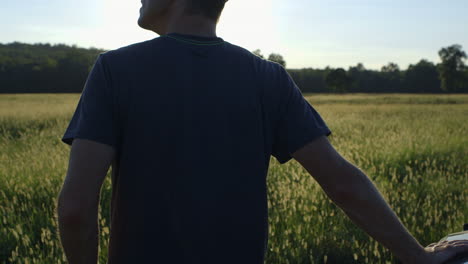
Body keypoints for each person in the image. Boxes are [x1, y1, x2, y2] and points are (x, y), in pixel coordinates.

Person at [56, 0, 468, 263]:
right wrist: (416, 256)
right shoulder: (266, 77)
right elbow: (342, 181)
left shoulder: (114, 70)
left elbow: (76, 209)